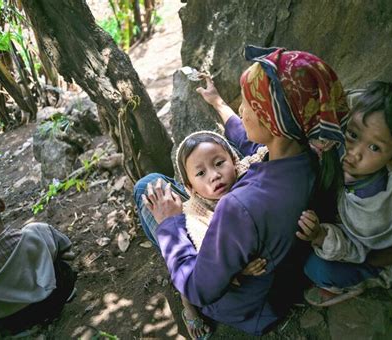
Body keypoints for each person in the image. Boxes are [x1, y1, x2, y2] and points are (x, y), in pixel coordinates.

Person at [134, 46, 349, 335]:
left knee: (147, 187)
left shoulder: (238, 207)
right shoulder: (309, 155)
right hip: (276, 275)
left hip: (242, 302)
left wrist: (170, 224)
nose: (241, 110)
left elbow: (201, 288)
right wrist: (218, 103)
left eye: (248, 105)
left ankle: (187, 299)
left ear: (272, 123)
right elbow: (253, 147)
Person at [296, 82, 392, 307]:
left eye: (374, 148)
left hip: (368, 251)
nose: (354, 152)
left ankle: (363, 280)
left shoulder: (374, 207)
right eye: (352, 134)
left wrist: (321, 235)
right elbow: (342, 102)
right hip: (343, 214)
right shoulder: (358, 118)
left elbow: (357, 249)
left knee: (317, 268)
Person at [166, 130, 268, 339]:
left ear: (234, 160)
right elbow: (206, 264)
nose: (214, 175)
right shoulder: (194, 215)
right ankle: (188, 302)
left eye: (219, 163)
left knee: (148, 187)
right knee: (152, 192)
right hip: (202, 260)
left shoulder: (245, 172)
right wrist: (238, 271)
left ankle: (188, 303)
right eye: (201, 173)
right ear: (190, 188)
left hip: (247, 300)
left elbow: (266, 152)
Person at [0, 176, 77, 335]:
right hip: (52, 299)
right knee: (55, 256)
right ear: (1, 205)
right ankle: (64, 297)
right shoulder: (34, 234)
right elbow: (66, 249)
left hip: (10, 324)